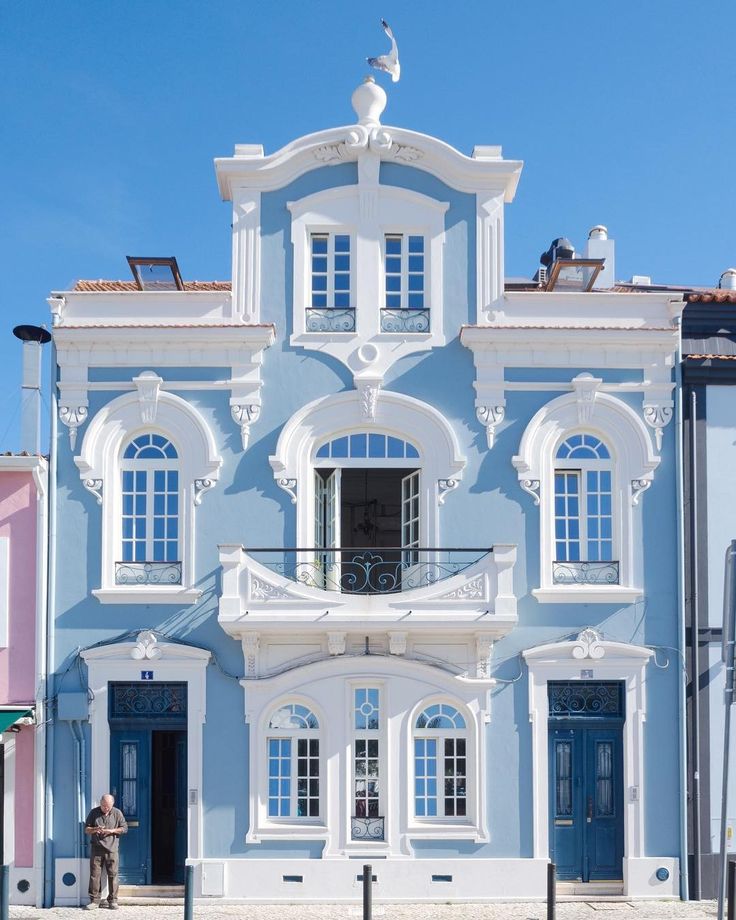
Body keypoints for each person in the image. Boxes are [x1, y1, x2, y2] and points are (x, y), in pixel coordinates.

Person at [84, 794, 127, 909]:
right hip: (96, 849)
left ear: (112, 804)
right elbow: (86, 829)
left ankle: (113, 900)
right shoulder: (94, 812)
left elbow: (124, 828)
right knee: (95, 875)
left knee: (113, 875)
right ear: (100, 803)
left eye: (108, 806)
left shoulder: (117, 813)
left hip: (112, 849)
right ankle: (94, 901)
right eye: (103, 806)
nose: (105, 808)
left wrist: (111, 831)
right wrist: (95, 829)